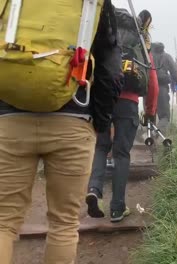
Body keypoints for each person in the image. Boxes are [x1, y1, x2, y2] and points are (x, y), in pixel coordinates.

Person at [0, 0, 122, 263]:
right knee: (64, 224)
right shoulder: (92, 3)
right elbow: (111, 69)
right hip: (73, 119)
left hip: (9, 118)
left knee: (3, 223)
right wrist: (98, 122)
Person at [86, 9, 159, 223]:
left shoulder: (106, 36)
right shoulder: (140, 41)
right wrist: (150, 111)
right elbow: (152, 80)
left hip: (105, 98)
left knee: (101, 146)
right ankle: (117, 208)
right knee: (121, 153)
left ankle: (94, 189)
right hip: (128, 102)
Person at [151, 42, 177, 134]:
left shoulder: (148, 55)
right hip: (161, 87)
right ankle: (159, 135)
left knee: (149, 114)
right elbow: (174, 73)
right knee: (164, 116)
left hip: (148, 88)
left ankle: (149, 135)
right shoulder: (167, 56)